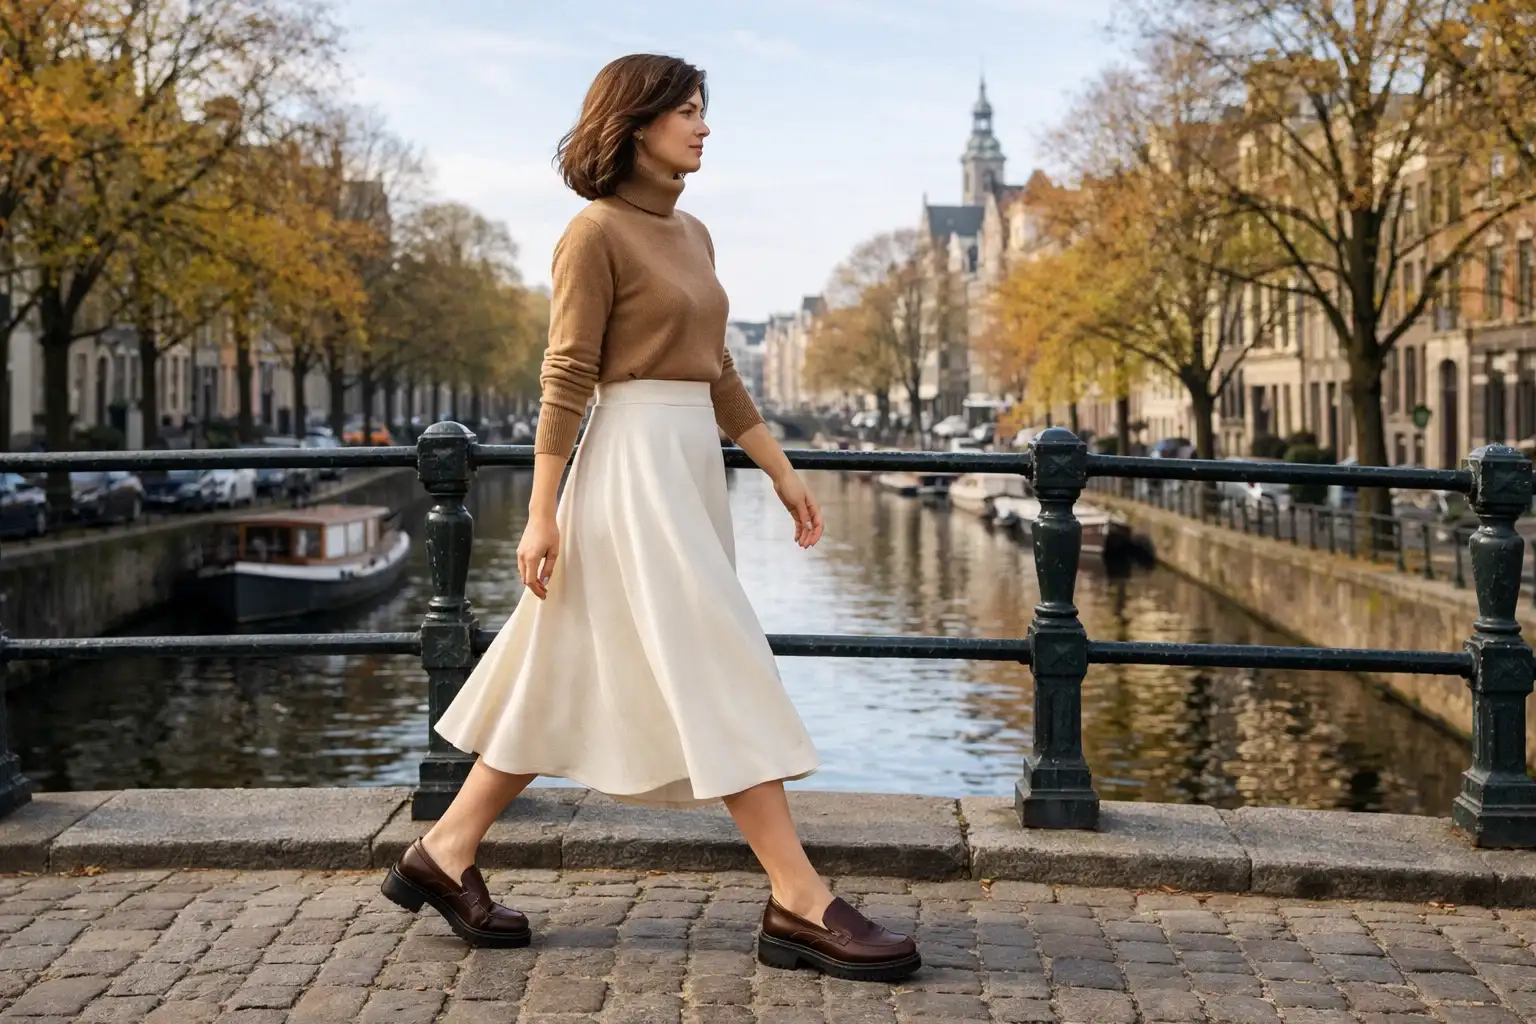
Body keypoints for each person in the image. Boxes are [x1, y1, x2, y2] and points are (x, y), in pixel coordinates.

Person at [380, 53, 920, 983]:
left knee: (562, 667)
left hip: (687, 464)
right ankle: (798, 897)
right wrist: (541, 512)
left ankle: (445, 849)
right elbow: (566, 377)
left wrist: (783, 472)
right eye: (689, 111)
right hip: (629, 467)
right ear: (636, 125)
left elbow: (720, 372)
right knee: (718, 656)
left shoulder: (695, 234)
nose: (705, 127)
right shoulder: (592, 233)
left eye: (704, 110)